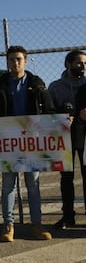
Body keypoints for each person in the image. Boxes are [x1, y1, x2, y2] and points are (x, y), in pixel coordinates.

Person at [0, 45, 53, 242]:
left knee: (33, 183)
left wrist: (63, 121)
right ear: (7, 62)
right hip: (8, 140)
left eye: (18, 59)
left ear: (26, 60)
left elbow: (48, 109)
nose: (14, 63)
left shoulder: (36, 83)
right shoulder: (1, 84)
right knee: (8, 184)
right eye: (11, 60)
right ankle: (8, 225)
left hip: (33, 141)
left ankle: (37, 224)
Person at [48, 50, 86, 229]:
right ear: (68, 64)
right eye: (79, 63)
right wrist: (61, 116)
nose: (83, 66)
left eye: (85, 63)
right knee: (66, 178)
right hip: (64, 137)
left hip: (85, 137)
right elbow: (47, 112)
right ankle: (68, 216)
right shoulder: (55, 87)